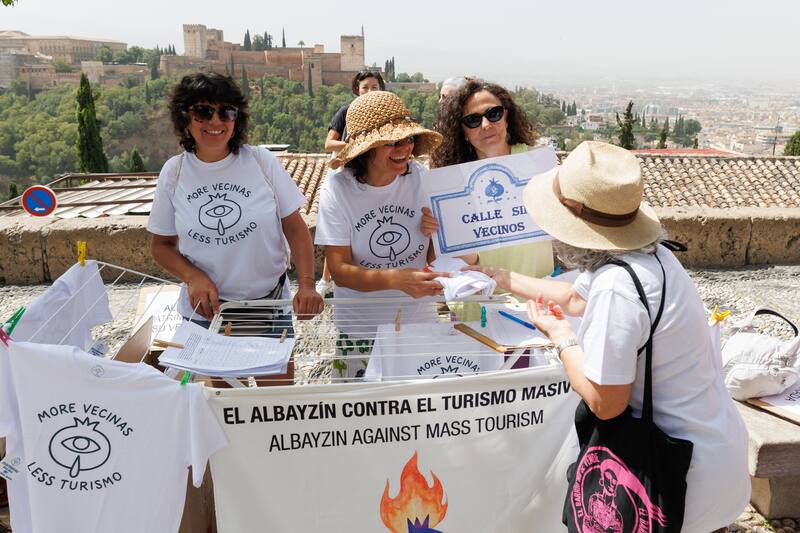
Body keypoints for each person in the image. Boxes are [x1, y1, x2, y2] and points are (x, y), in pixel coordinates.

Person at [470, 141, 750, 533]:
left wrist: (562, 338)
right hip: (714, 450)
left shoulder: (617, 285)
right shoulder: (651, 256)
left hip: (673, 477)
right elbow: (572, 296)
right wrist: (501, 277)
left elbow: (606, 403)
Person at [148, 72, 323, 332]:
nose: (216, 121)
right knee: (220, 376)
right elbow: (160, 246)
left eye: (226, 112)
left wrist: (307, 284)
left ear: (236, 118)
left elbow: (295, 228)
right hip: (207, 312)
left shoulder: (261, 161)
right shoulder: (174, 172)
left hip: (270, 306)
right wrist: (193, 277)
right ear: (185, 118)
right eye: (203, 112)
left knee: (278, 375)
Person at [315, 90, 456, 380]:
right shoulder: (337, 189)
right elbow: (339, 270)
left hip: (418, 324)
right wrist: (395, 279)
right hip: (361, 331)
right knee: (357, 418)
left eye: (407, 139)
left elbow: (434, 259)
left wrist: (436, 236)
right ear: (366, 149)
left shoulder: (422, 179)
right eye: (391, 142)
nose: (403, 149)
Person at [431, 79, 555, 321]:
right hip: (478, 310)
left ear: (506, 117)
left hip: (536, 307)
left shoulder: (538, 165)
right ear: (463, 131)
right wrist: (437, 232)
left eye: (494, 113)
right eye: (473, 120)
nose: (486, 125)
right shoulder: (451, 183)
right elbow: (470, 259)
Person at [318, 70, 386, 296]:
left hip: (374, 175)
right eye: (365, 86)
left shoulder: (385, 113)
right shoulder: (345, 112)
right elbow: (329, 143)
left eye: (374, 87)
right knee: (339, 231)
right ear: (357, 89)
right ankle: (326, 279)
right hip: (345, 171)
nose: (369, 91)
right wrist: (352, 146)